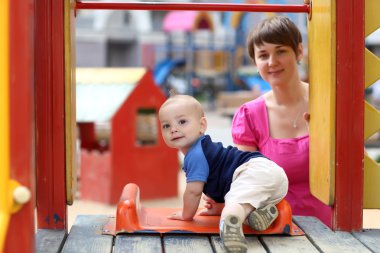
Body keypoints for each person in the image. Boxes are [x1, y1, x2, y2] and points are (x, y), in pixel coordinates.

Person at [225, 15, 332, 227]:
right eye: (263, 55)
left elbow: (353, 166)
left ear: (299, 52)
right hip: (274, 229)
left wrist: (324, 140)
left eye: (281, 51)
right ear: (255, 63)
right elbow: (250, 184)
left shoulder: (329, 102)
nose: (272, 62)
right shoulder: (250, 116)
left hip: (331, 228)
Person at [159, 94, 288, 253]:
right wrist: (220, 206)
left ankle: (229, 225)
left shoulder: (195, 155)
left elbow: (193, 191)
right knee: (243, 203)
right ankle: (255, 216)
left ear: (202, 125)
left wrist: (186, 214)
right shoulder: (205, 147)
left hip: (252, 170)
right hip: (274, 179)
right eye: (166, 125)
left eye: (182, 122)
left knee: (234, 205)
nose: (173, 129)